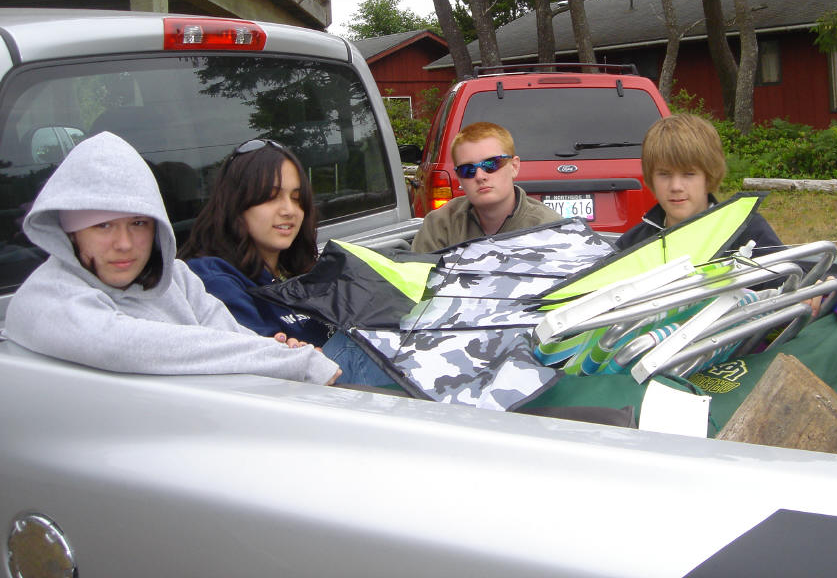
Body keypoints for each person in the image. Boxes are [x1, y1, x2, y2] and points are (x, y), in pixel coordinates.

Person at [2, 132, 340, 386]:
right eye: (103, 225)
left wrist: (282, 353)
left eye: (138, 223)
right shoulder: (46, 299)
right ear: (70, 231)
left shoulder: (177, 277)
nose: (124, 244)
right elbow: (123, 344)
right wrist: (289, 360)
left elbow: (229, 335)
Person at [179, 138, 393, 387]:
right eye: (271, 197)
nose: (289, 210)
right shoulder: (213, 279)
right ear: (236, 204)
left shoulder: (298, 269)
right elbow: (263, 365)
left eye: (297, 198)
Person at [615, 113, 783, 256]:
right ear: (651, 178)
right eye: (664, 174)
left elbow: (793, 278)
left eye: (689, 174)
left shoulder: (745, 230)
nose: (676, 186)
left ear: (708, 176)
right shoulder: (632, 245)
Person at [412, 122, 562, 252]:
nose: (480, 176)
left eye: (491, 164)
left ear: (514, 166)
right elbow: (418, 274)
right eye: (467, 170)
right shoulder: (439, 226)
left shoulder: (549, 229)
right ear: (459, 178)